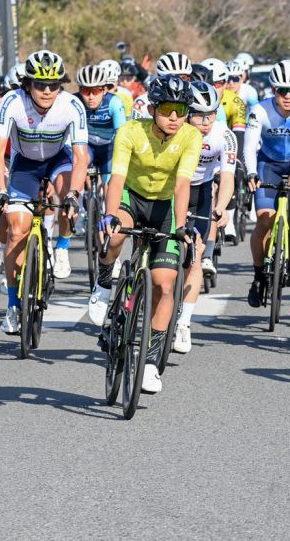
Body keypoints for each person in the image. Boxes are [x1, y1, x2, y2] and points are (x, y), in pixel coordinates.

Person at [88, 75, 202, 394]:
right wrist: (111, 215)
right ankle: (103, 282)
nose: (174, 117)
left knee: (165, 284)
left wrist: (181, 226)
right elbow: (117, 177)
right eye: (167, 109)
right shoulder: (130, 131)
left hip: (164, 206)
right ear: (152, 109)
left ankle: (150, 363)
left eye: (181, 110)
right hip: (131, 196)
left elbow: (182, 184)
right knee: (114, 237)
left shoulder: (191, 136)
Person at [0, 50, 87, 333]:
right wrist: (0, 189)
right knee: (16, 230)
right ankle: (12, 305)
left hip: (59, 159)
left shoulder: (72, 105)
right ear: (28, 84)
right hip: (25, 164)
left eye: (53, 85)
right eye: (40, 84)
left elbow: (81, 157)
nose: (47, 91)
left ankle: (62, 247)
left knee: (67, 200)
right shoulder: (12, 102)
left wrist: (74, 194)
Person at [177, 81, 236, 353]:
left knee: (195, 256)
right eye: (199, 116)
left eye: (210, 115)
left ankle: (184, 323)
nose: (205, 122)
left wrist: (221, 206)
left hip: (201, 190)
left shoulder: (224, 135)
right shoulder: (177, 131)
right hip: (173, 188)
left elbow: (227, 178)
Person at [245, 59, 290, 307]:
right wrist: (251, 173)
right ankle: (259, 275)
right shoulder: (260, 110)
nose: (288, 96)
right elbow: (249, 146)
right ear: (273, 90)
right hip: (268, 163)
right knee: (264, 219)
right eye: (282, 91)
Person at [76, 63, 127, 184]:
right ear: (80, 90)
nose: (91, 97)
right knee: (78, 165)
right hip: (87, 146)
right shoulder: (75, 101)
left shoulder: (114, 102)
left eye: (96, 91)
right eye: (86, 91)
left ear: (104, 90)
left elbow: (122, 134)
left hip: (108, 148)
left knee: (109, 184)